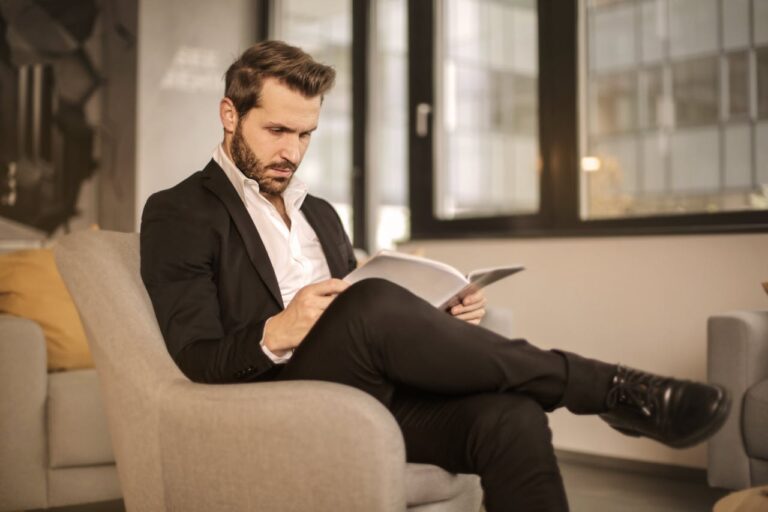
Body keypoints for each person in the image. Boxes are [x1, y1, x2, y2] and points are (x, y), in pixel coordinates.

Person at [140, 40, 730, 512]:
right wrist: (280, 329)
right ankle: (609, 389)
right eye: (276, 131)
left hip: (370, 391)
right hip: (275, 399)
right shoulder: (179, 210)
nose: (292, 152)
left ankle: (601, 391)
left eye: (305, 135)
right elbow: (196, 355)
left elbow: (359, 321)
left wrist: (435, 314)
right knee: (370, 300)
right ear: (229, 114)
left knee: (511, 417)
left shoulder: (318, 211)